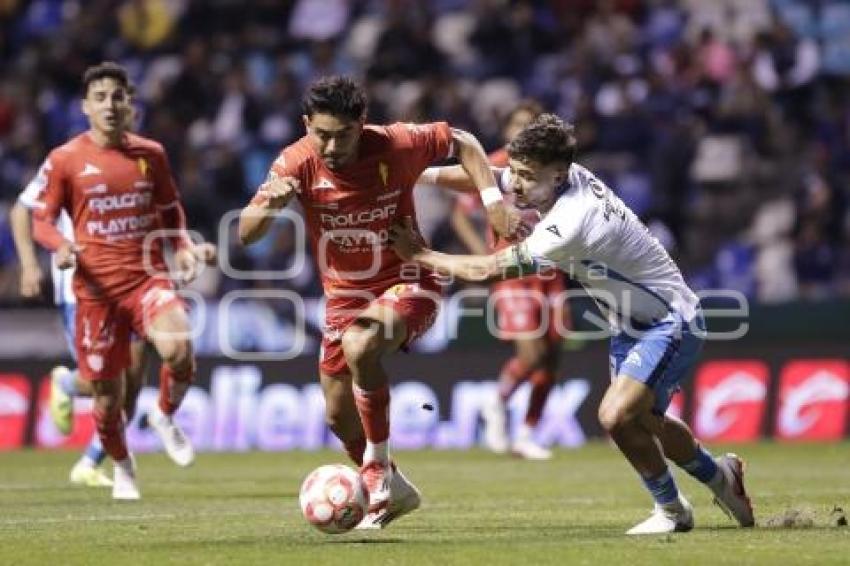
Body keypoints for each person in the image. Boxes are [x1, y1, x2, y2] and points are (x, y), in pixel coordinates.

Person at [390, 113, 755, 535]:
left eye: (527, 176)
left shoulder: (572, 221)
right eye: (519, 174)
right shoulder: (561, 177)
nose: (517, 184)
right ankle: (721, 478)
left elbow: (490, 268)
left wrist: (421, 255)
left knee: (615, 415)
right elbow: (485, 175)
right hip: (628, 323)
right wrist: (416, 174)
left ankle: (673, 512)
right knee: (646, 422)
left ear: (558, 174)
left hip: (669, 319)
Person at [238, 75, 522, 529]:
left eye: (343, 134)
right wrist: (270, 206)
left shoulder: (396, 143)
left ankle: (375, 466)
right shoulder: (294, 162)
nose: (331, 146)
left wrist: (491, 203)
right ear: (306, 123)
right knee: (336, 414)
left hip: (411, 276)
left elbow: (465, 142)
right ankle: (398, 488)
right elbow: (246, 233)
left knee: (361, 344)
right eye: (321, 134)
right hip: (344, 297)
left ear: (362, 124)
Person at [31, 61, 203, 500]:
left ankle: (165, 416)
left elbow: (171, 210)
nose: (110, 104)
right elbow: (41, 220)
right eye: (101, 97)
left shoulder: (151, 154)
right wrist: (60, 247)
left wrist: (181, 246)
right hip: (96, 293)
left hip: (147, 279)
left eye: (118, 96)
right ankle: (123, 468)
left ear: (130, 104)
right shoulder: (66, 159)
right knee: (108, 399)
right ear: (86, 106)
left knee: (179, 349)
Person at [449, 100, 567, 460]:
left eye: (530, 126)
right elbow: (460, 214)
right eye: (517, 124)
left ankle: (527, 435)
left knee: (553, 356)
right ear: (506, 130)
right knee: (531, 354)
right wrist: (484, 257)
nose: (522, 131)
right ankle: (496, 402)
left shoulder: (555, 170)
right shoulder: (495, 164)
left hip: (550, 270)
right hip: (513, 271)